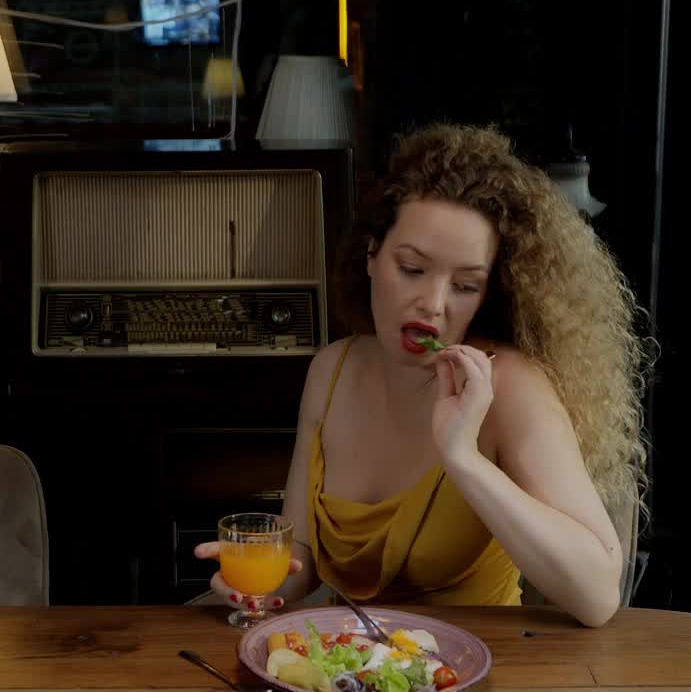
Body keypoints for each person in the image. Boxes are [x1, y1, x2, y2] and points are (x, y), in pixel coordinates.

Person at [197, 123, 648, 629]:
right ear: (371, 255)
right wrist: (254, 583)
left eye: (465, 285)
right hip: (348, 662)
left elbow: (597, 596)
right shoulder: (330, 370)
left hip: (484, 663)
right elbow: (300, 552)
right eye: (412, 269)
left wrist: (464, 458)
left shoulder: (510, 387)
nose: (432, 304)